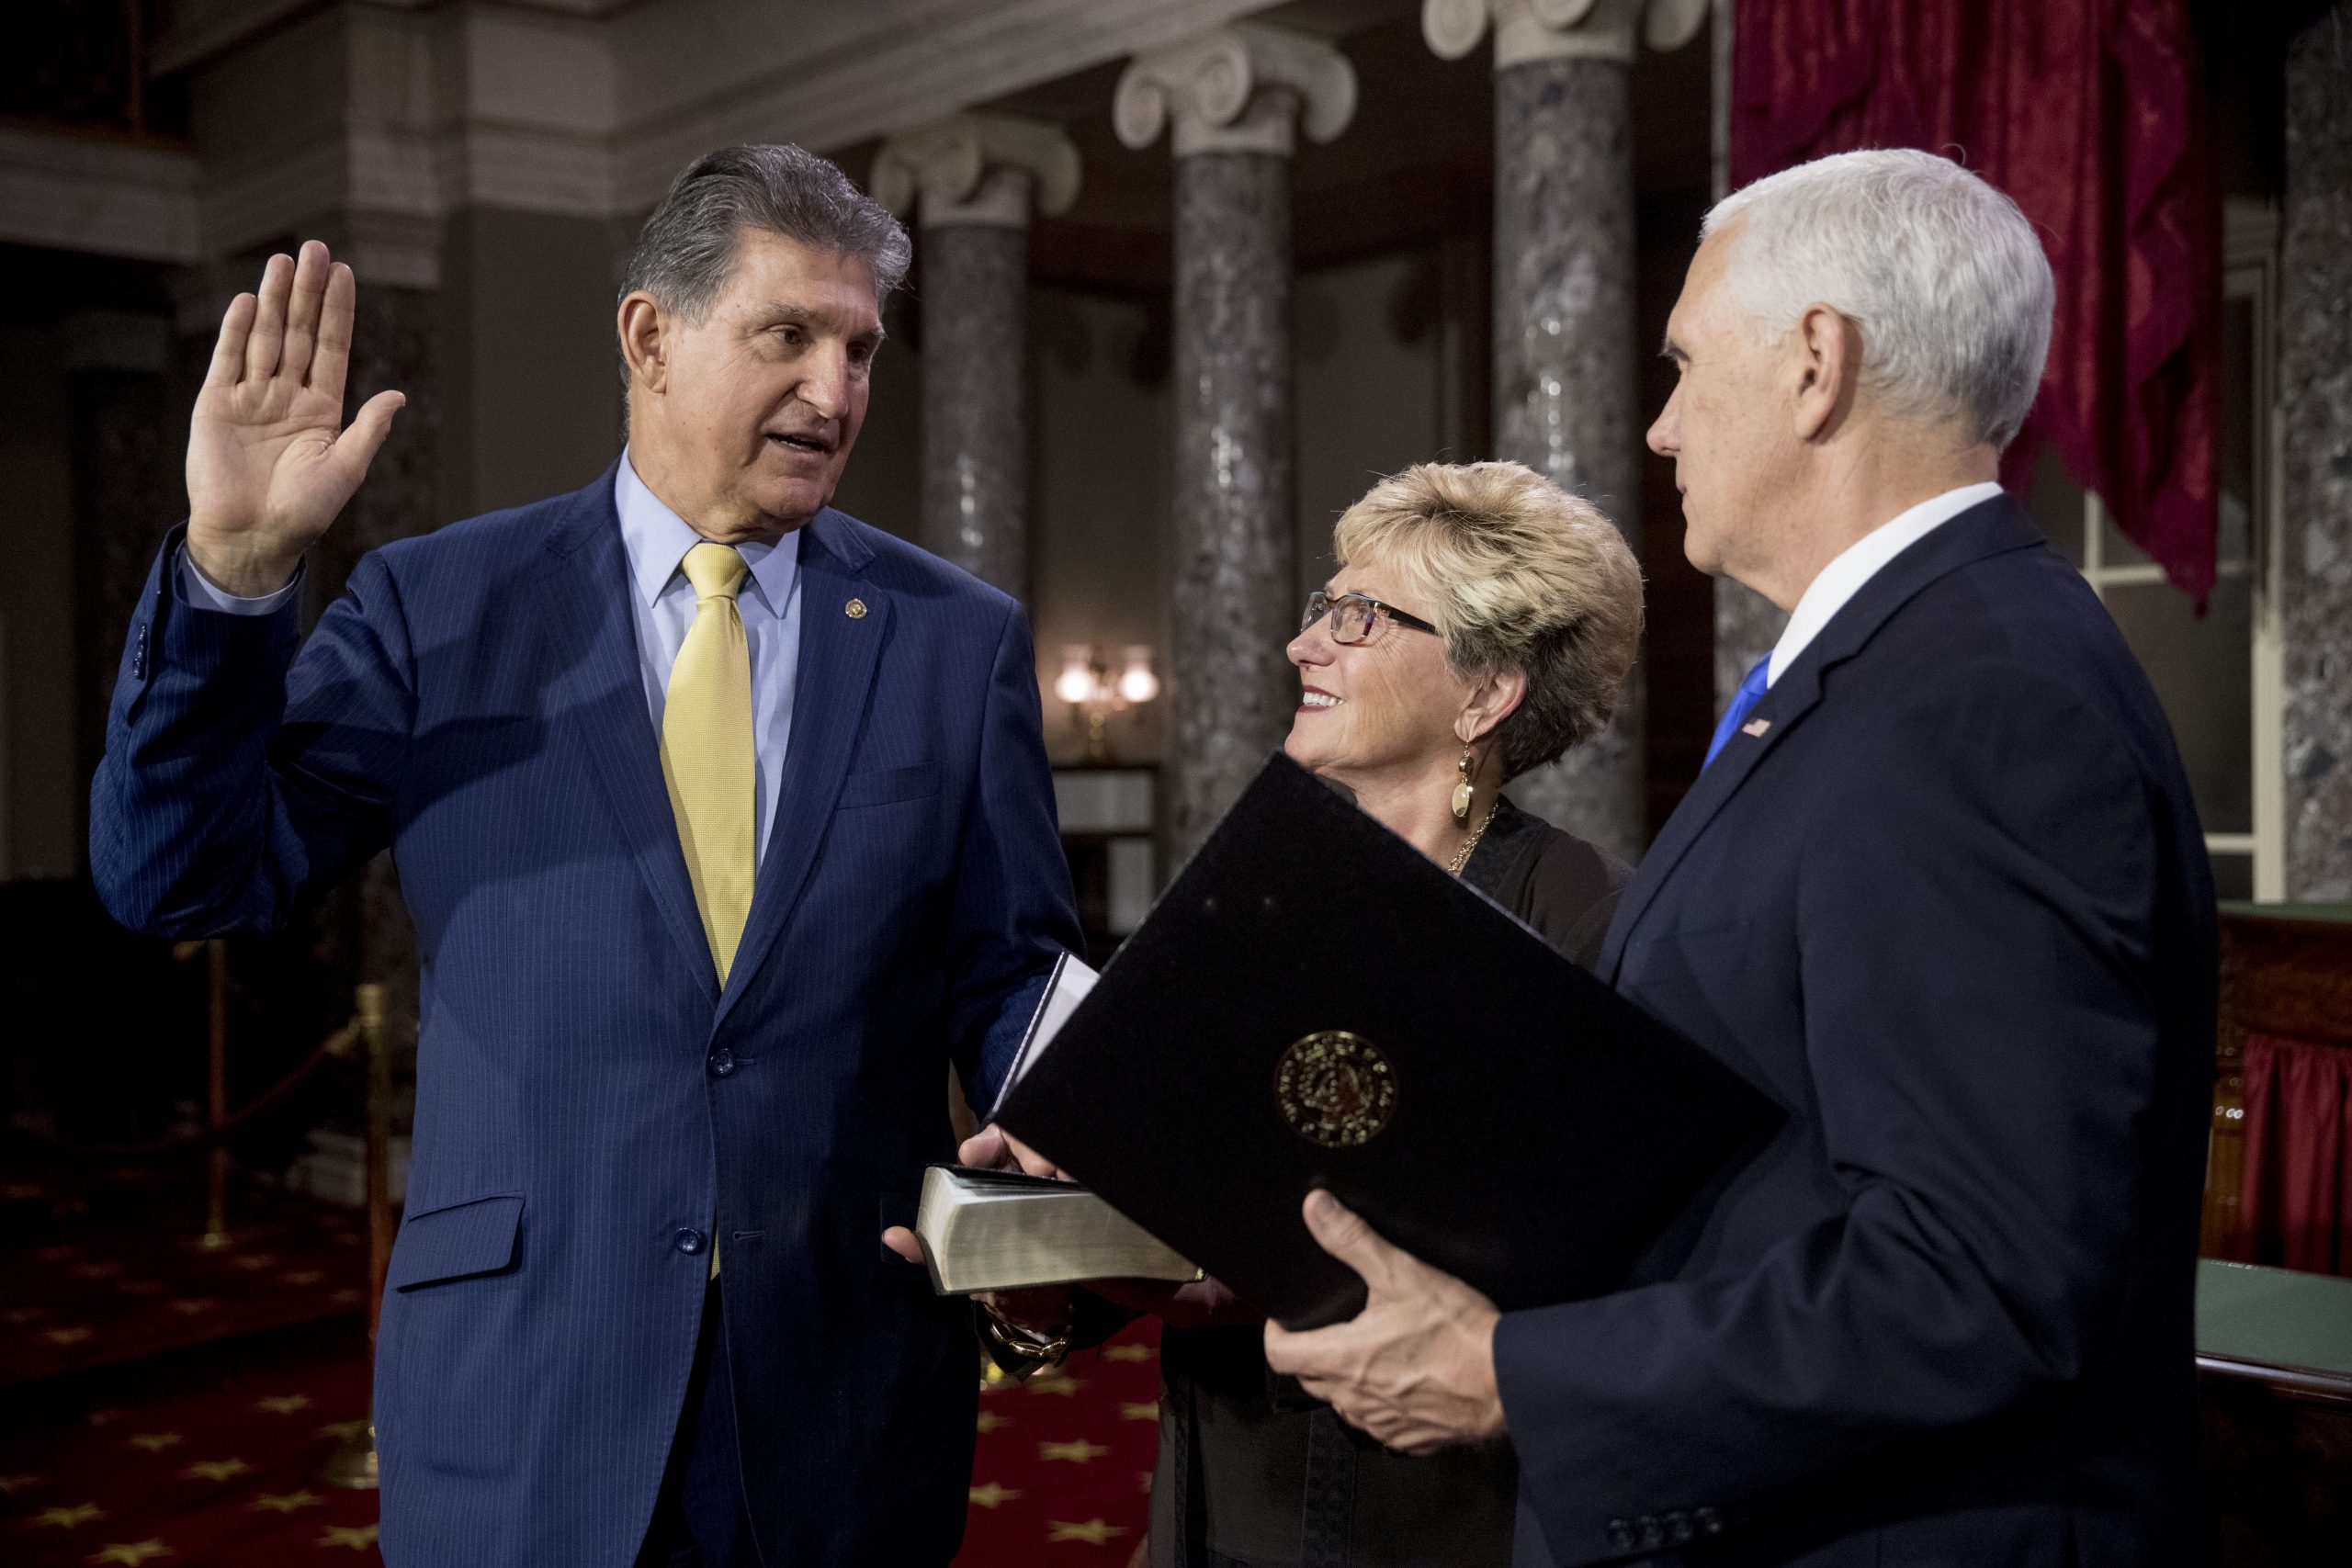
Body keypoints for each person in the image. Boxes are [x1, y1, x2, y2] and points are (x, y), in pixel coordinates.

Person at [88, 144, 1081, 1567]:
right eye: (787, 334)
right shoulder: (442, 606)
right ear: (649, 335)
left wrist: (1077, 1132)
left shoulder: (953, 634)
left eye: (859, 346)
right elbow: (173, 878)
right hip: (525, 1383)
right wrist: (231, 576)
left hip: (841, 1394)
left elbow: (1011, 974)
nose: (837, 388)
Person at [1262, 148, 2218, 1568]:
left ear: (1815, 363)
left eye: (1686, 362)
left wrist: (1513, 1374)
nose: (1656, 428)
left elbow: (1980, 1279)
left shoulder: (1974, 698)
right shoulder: (1904, 665)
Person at [894, 460, 1645, 1567]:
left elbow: (1585, 1278)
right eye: (1316, 610)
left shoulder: (1584, 923)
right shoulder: (1251, 895)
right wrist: (1041, 1259)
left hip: (1449, 1518)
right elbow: (1167, 1220)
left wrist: (1261, 1275)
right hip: (1223, 1505)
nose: (1303, 645)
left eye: (1358, 617)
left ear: (1485, 693)